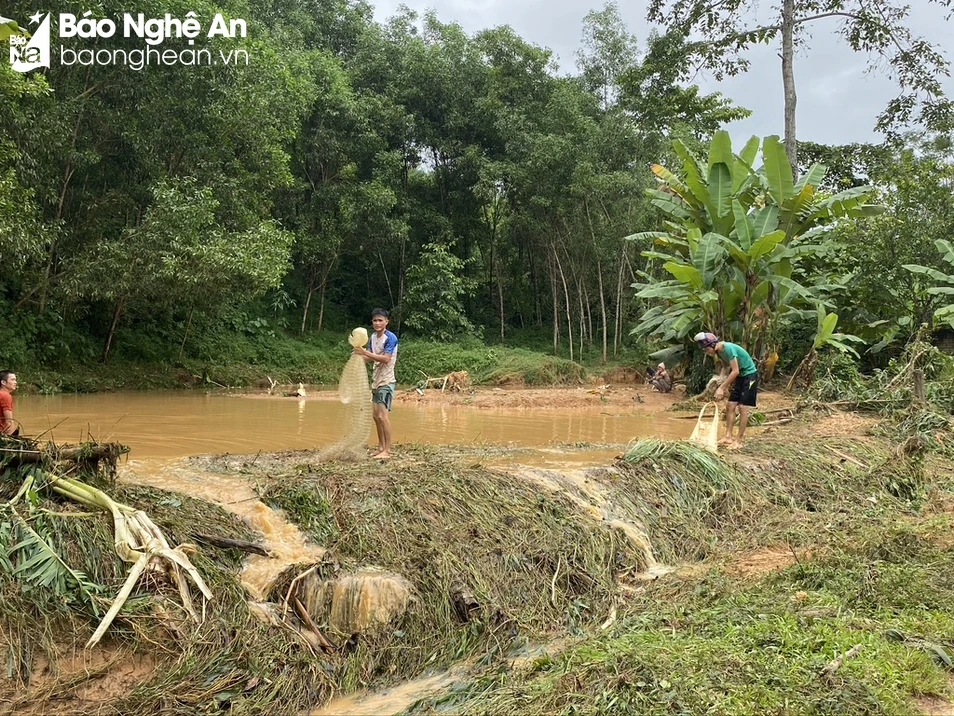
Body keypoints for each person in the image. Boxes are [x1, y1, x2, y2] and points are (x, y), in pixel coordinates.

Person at [693, 332, 758, 448]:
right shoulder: (719, 352)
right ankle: (728, 437)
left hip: (750, 376)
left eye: (706, 349)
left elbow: (735, 370)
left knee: (743, 407)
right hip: (740, 376)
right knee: (730, 405)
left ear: (712, 345)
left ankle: (739, 441)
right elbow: (725, 367)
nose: (706, 352)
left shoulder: (728, 349)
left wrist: (722, 387)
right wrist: (719, 381)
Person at [353, 309, 398, 459]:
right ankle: (380, 447)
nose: (377, 323)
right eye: (375, 321)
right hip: (376, 381)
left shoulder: (390, 338)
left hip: (386, 381)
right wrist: (357, 356)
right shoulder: (373, 337)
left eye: (380, 320)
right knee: (376, 416)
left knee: (382, 416)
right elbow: (371, 358)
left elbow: (385, 359)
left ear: (386, 322)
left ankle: (387, 450)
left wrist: (364, 353)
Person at [0, 370, 20, 438]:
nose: (15, 382)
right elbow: (9, 422)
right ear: (3, 382)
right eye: (12, 380)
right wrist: (11, 439)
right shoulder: (5, 396)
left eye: (15, 380)